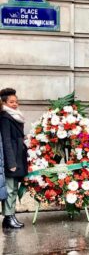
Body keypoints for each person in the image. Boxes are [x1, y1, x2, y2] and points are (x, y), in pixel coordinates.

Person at [0, 88, 27, 228]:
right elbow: (6, 140)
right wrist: (11, 162)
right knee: (10, 189)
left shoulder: (15, 115)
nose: (15, 104)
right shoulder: (5, 117)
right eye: (12, 102)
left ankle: (10, 217)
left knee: (14, 188)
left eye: (16, 101)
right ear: (4, 103)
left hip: (18, 156)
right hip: (11, 158)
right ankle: (8, 217)